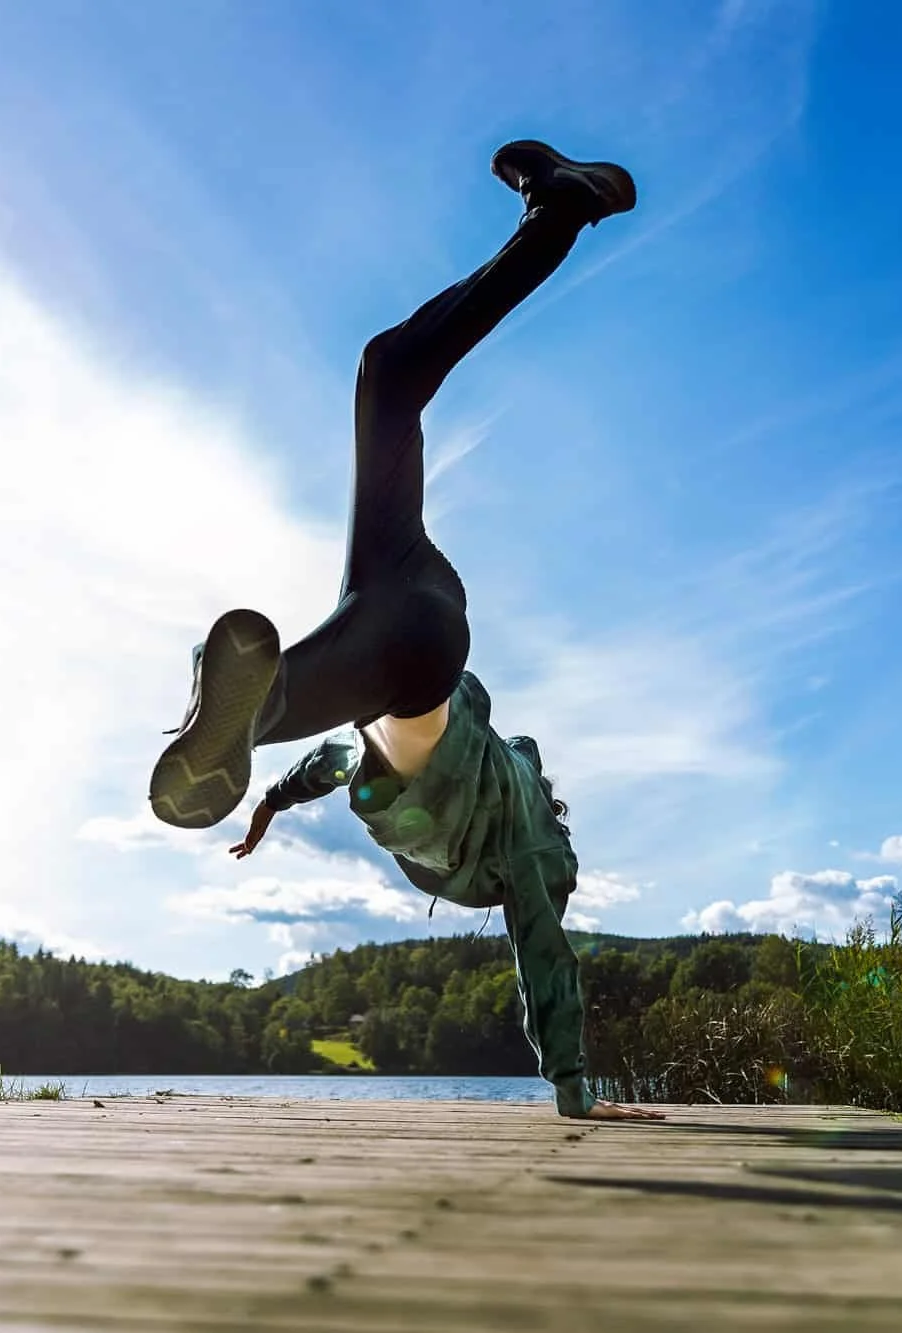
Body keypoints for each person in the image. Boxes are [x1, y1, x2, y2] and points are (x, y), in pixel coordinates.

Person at [148, 140, 663, 1123]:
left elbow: (534, 944)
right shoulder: (523, 826)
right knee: (385, 375)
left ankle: (559, 215)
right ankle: (557, 211)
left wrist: (268, 806)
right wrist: (573, 1087)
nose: (555, 815)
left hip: (408, 639)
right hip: (417, 649)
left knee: (386, 379)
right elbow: (538, 945)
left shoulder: (528, 841)